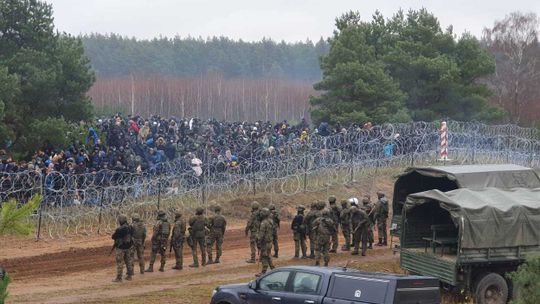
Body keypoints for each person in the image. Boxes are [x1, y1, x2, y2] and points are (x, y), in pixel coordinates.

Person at [111, 214, 134, 282]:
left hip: (121, 247)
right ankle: (129, 276)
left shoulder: (120, 229)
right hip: (129, 246)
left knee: (120, 262)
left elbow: (113, 237)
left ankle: (119, 278)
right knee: (128, 261)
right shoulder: (130, 227)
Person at [256, 208, 275, 277]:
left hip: (265, 242)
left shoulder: (264, 223)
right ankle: (273, 269)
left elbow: (261, 234)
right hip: (269, 241)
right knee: (268, 255)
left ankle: (263, 272)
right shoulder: (271, 221)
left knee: (264, 256)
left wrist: (258, 242)